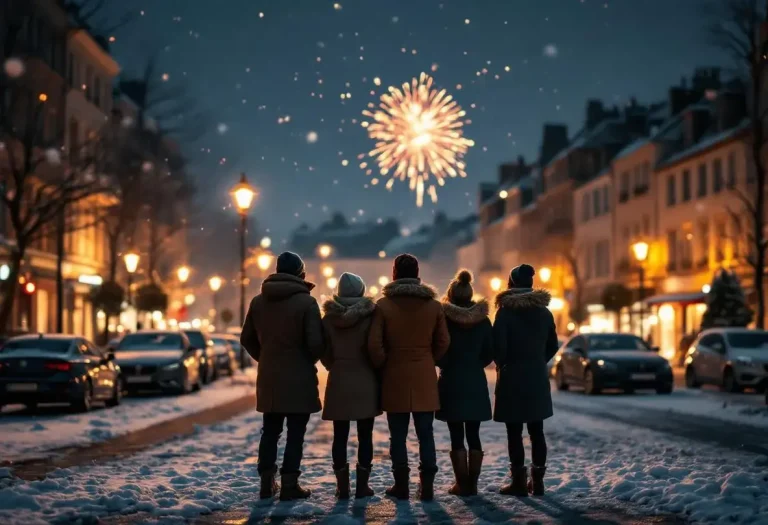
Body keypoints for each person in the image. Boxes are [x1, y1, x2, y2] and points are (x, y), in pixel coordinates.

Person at [240, 251, 324, 501]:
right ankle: (290, 484)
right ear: (300, 273)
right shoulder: (307, 303)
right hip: (299, 378)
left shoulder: (258, 302)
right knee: (295, 434)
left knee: (270, 431)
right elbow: (316, 344)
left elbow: (246, 338)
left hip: (270, 378)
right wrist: (305, 360)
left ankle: (266, 482)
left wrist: (265, 357)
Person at [368, 253, 450, 501]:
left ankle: (401, 484)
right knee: (426, 434)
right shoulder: (434, 306)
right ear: (417, 274)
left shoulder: (383, 306)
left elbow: (374, 344)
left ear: (394, 274)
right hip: (424, 375)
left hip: (395, 376)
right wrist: (429, 359)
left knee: (398, 435)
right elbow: (443, 341)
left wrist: (385, 363)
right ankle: (427, 485)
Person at [493, 264, 559, 497]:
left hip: (511, 378)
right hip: (536, 378)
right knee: (536, 431)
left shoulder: (505, 312)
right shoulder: (544, 312)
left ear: (511, 284)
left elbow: (499, 348)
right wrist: (538, 361)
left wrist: (504, 364)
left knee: (514, 432)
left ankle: (519, 482)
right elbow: (553, 345)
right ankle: (538, 482)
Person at [320, 272, 381, 499]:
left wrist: (334, 365)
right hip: (365, 378)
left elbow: (324, 351)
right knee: (365, 435)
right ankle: (362, 486)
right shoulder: (370, 316)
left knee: (340, 435)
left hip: (339, 379)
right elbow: (375, 346)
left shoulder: (328, 319)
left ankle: (342, 486)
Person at [436, 269, 493, 497]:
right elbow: (490, 351)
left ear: (451, 295)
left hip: (451, 380)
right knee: (474, 432)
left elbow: (438, 348)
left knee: (456, 433)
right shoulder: (483, 321)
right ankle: (473, 483)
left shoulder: (444, 320)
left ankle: (461, 483)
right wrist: (476, 364)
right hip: (475, 380)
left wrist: (445, 364)